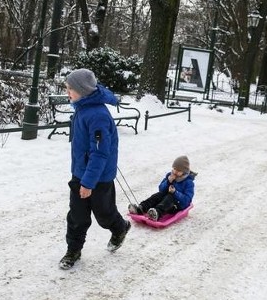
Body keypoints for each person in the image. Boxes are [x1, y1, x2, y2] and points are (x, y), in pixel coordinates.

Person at [59, 68, 131, 270]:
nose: (67, 93)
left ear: (82, 90)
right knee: (77, 216)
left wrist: (88, 183)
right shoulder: (83, 108)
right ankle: (73, 250)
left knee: (104, 214)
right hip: (80, 174)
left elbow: (100, 153)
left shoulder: (97, 116)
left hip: (98, 179)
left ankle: (120, 227)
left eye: (70, 89)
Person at [128, 156, 195, 221]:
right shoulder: (170, 175)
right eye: (174, 169)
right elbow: (161, 188)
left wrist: (175, 193)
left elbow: (187, 200)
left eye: (179, 170)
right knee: (158, 195)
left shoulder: (188, 182)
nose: (175, 172)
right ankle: (141, 208)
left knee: (170, 197)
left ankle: (156, 213)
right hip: (165, 200)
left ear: (184, 172)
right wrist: (168, 181)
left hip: (177, 205)